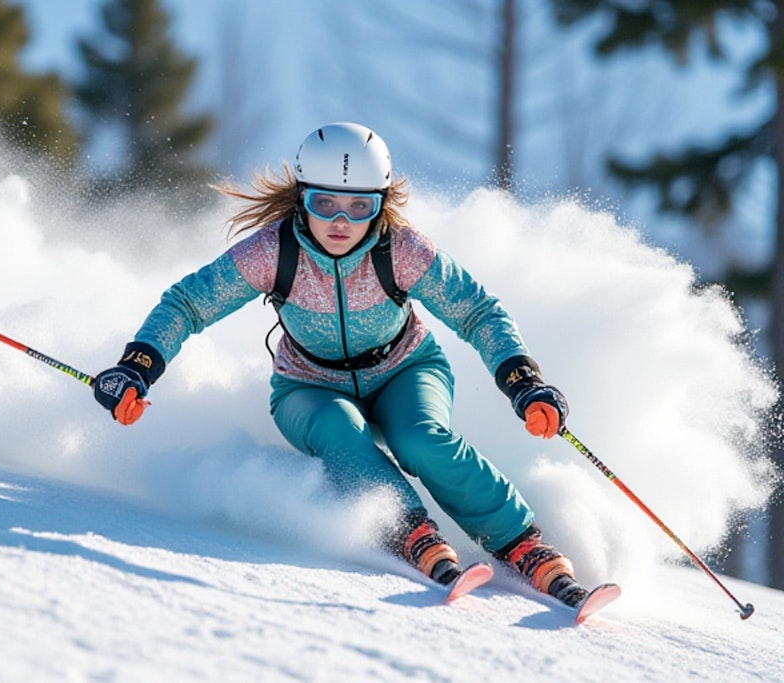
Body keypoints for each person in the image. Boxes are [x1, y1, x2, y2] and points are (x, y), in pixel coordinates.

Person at [93, 121, 591, 607]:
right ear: (300, 197)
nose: (340, 222)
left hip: (405, 369)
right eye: (323, 203)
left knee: (421, 438)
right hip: (308, 385)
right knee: (340, 429)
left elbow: (477, 311)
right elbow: (188, 303)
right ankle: (407, 529)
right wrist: (138, 366)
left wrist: (523, 381)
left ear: (380, 207)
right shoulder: (273, 250)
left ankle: (520, 541)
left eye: (360, 207)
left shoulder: (401, 249)